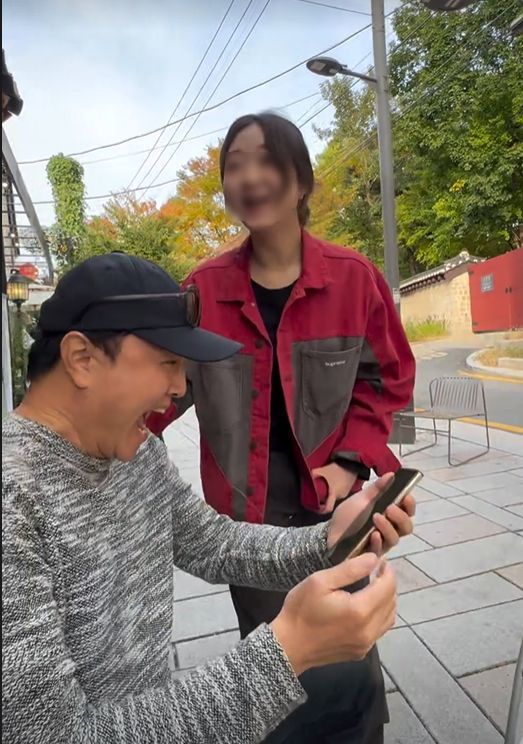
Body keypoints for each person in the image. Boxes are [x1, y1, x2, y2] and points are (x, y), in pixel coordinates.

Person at [2, 252, 414, 744]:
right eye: (168, 362)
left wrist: (329, 540)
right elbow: (52, 735)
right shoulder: (13, 498)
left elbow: (214, 544)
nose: (179, 387)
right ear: (81, 359)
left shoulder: (137, 454)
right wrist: (291, 650)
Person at [147, 112, 417, 743]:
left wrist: (349, 463)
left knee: (348, 655)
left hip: (335, 512)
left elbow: (388, 379)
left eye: (266, 160)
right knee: (274, 667)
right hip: (246, 521)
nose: (249, 177)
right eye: (234, 165)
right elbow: (154, 394)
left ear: (301, 181)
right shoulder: (203, 291)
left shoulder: (353, 279)